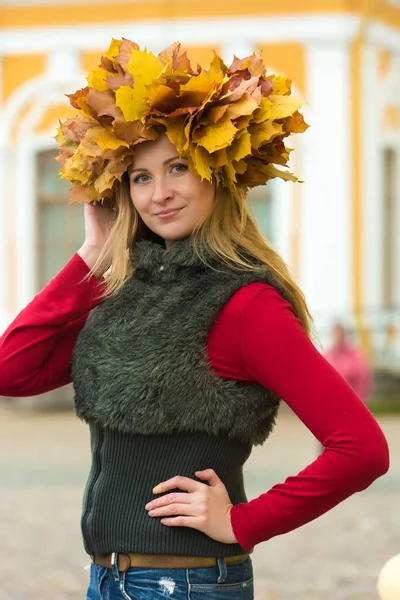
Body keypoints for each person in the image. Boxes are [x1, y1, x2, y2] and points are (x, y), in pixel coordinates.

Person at [0, 39, 389, 600]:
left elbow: (361, 449)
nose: (159, 194)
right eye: (139, 177)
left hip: (186, 583)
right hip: (110, 579)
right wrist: (91, 256)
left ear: (216, 172)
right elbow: (13, 372)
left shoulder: (246, 305)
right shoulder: (129, 294)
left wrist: (242, 522)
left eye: (178, 168)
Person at [324, 322, 373, 405]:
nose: (337, 338)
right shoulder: (328, 355)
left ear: (344, 335)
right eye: (335, 335)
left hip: (353, 401)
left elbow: (363, 378)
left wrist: (361, 401)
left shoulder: (355, 355)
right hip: (332, 401)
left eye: (339, 335)